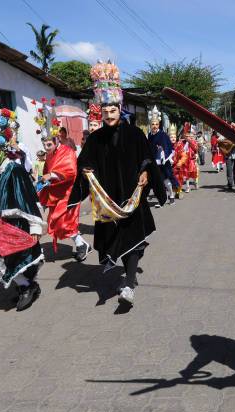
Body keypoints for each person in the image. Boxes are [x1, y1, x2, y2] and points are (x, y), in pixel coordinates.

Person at [70, 60, 166, 306]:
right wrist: (86, 171)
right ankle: (123, 271)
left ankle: (129, 284)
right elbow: (84, 162)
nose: (109, 115)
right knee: (115, 237)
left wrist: (145, 171)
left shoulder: (134, 134)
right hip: (108, 201)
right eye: (105, 111)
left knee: (131, 238)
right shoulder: (96, 138)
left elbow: (146, 157)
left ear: (119, 109)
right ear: (101, 112)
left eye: (113, 110)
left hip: (132, 196)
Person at [0, 107, 44, 312]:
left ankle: (28, 287)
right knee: (0, 259)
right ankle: (26, 286)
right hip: (2, 225)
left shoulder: (14, 170)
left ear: (1, 152)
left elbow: (28, 199)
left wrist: (35, 228)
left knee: (13, 258)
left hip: (18, 225)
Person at [38, 137, 91, 261]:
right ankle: (82, 244)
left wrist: (51, 175)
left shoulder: (67, 151)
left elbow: (71, 171)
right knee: (55, 222)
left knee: (64, 222)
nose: (46, 148)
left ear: (56, 142)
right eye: (44, 145)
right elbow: (47, 173)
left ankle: (82, 245)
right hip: (56, 194)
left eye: (49, 144)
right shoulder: (50, 155)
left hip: (68, 194)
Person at [147, 108, 178, 206]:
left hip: (163, 162)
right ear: (150, 125)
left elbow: (168, 146)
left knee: (165, 180)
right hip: (153, 162)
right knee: (157, 181)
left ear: (159, 124)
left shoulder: (163, 135)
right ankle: (162, 199)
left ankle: (171, 196)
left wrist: (163, 152)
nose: (155, 126)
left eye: (156, 124)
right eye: (153, 124)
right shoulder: (149, 135)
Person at [173, 123, 199, 193]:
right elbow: (176, 148)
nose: (187, 137)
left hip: (191, 160)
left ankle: (195, 183)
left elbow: (196, 148)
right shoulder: (181, 142)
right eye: (186, 136)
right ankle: (187, 187)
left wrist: (189, 141)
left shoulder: (193, 141)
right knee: (186, 174)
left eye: (188, 135)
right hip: (185, 161)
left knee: (193, 173)